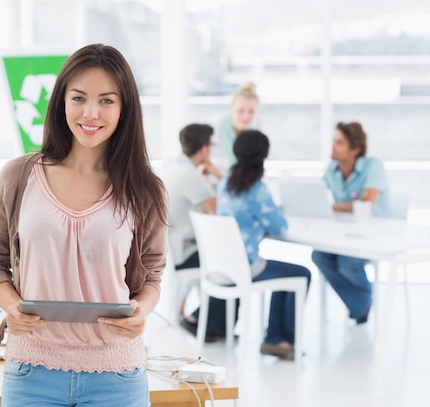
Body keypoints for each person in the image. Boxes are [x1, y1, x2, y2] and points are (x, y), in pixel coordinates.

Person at [0, 44, 167, 407]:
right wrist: (12, 305)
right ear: (61, 101)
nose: (90, 113)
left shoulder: (145, 188)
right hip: (32, 371)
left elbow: (153, 273)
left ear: (125, 108)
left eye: (107, 101)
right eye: (78, 98)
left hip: (116, 373)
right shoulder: (19, 176)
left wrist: (142, 309)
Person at [215, 129, 311, 357]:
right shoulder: (256, 189)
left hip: (223, 263)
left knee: (288, 274)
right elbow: (279, 227)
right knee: (301, 274)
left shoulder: (226, 181)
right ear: (263, 155)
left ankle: (277, 338)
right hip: (245, 265)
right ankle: (280, 340)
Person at [311, 122, 392, 324]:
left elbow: (366, 202)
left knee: (348, 262)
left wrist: (331, 208)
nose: (333, 146)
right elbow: (317, 193)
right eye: (333, 141)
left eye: (339, 143)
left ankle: (360, 302)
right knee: (319, 256)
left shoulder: (373, 166)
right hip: (346, 232)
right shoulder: (333, 168)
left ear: (355, 150)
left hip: (376, 232)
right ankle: (361, 303)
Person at [163, 123, 230, 342]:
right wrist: (218, 173)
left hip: (175, 248)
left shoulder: (177, 169)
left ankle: (204, 319)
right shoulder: (189, 175)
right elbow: (216, 208)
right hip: (185, 252)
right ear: (203, 149)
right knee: (232, 264)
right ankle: (212, 324)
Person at [214, 81, 260, 170]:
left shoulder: (257, 129)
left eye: (251, 111)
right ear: (231, 108)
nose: (246, 117)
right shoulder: (217, 128)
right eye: (241, 110)